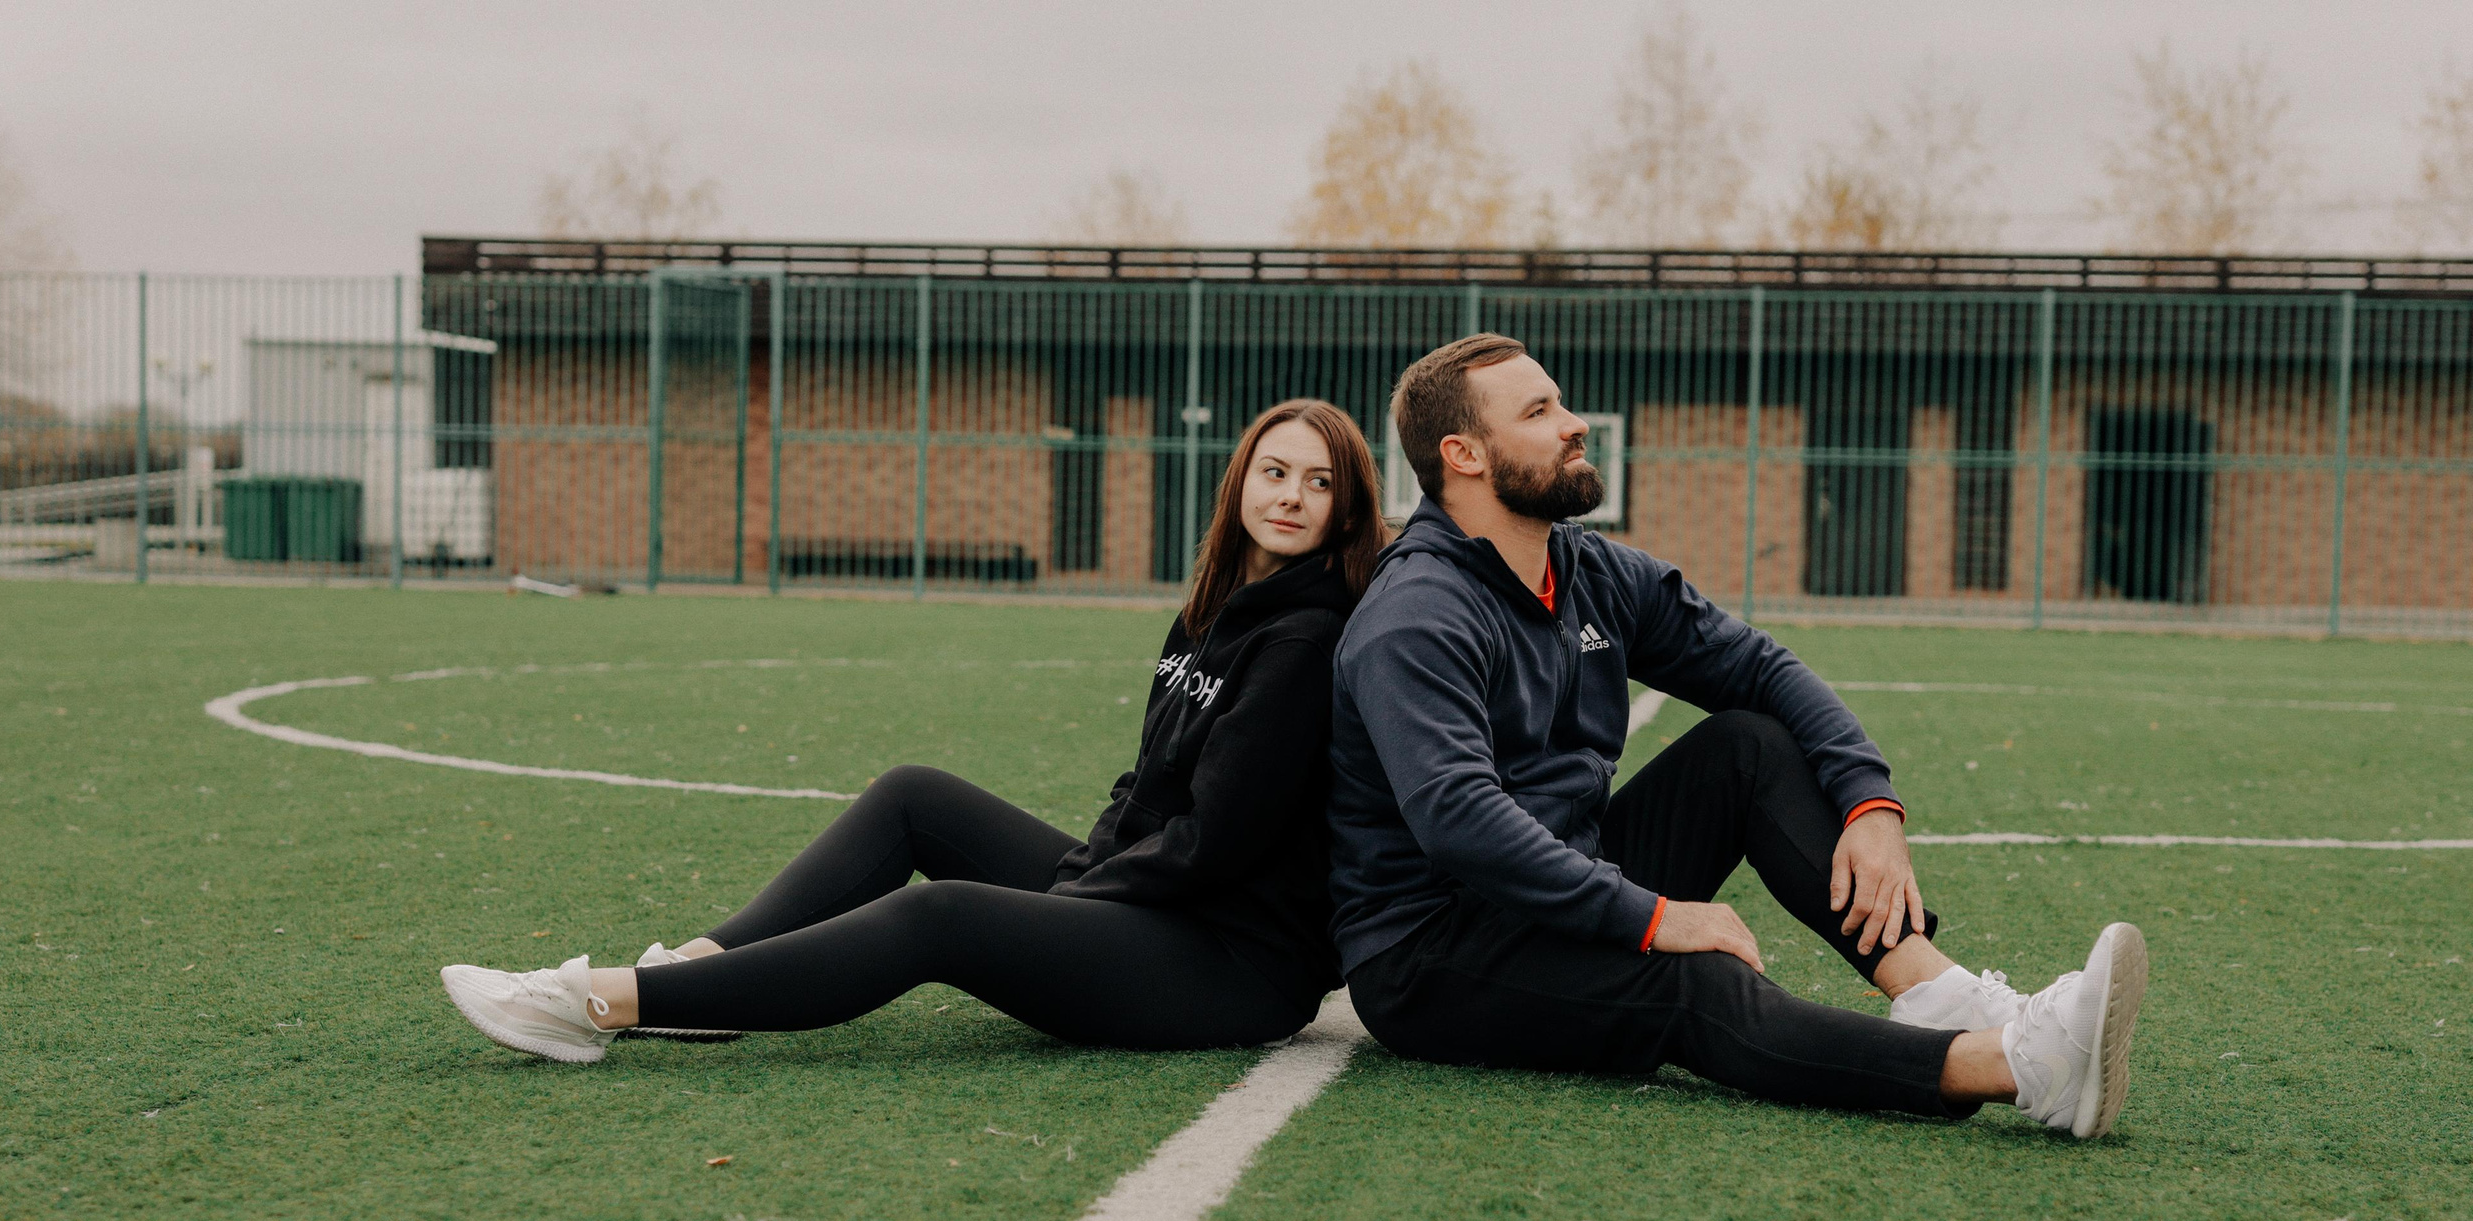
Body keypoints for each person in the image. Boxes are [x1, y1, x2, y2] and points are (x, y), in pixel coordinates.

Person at [1328, 335, 2148, 1136]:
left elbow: (1761, 668)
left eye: (1561, 403)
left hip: (1564, 880)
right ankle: (2015, 1067)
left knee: (1747, 747)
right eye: (1539, 412)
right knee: (1694, 979)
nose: (1574, 424)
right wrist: (1655, 917)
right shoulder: (1419, 612)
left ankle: (1938, 991)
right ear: (1464, 454)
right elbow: (1460, 819)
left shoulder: (1587, 570)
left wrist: (1870, 801)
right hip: (1434, 949)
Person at [439, 399, 1388, 1064]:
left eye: (1318, 482)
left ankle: (600, 1002)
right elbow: (1143, 787)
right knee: (914, 796)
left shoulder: (1303, 641)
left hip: (1228, 962)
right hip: (1156, 902)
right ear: (1241, 480)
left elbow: (1217, 839)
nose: (1291, 496)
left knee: (944, 917)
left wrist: (1083, 892)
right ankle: (698, 969)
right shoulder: (1212, 611)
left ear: (1346, 508)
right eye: (1275, 472)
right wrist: (1087, 870)